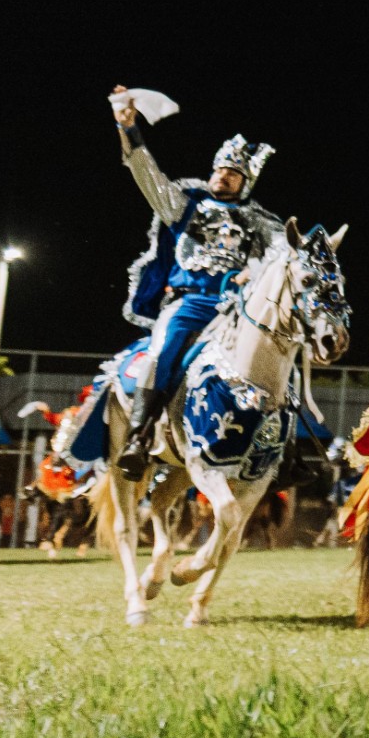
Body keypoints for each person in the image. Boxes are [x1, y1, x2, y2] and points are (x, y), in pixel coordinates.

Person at [107, 91, 283, 482]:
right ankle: (138, 438)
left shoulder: (260, 222)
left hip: (233, 309)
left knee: (278, 353)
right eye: (219, 169)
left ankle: (279, 444)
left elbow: (282, 256)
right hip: (187, 306)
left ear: (246, 181)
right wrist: (129, 127)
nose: (222, 175)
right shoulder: (185, 205)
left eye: (232, 173)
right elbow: (147, 174)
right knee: (161, 354)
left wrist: (253, 271)